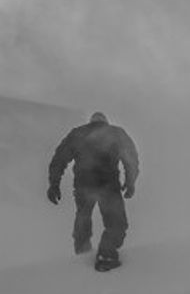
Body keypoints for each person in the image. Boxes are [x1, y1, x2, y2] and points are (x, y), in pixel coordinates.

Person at [47, 111, 139, 271]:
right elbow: (131, 157)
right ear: (106, 122)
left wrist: (54, 184)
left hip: (84, 185)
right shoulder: (116, 133)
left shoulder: (78, 134)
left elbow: (59, 159)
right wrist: (130, 182)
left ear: (91, 122)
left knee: (83, 217)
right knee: (117, 224)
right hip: (108, 185)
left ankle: (82, 255)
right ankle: (106, 254)